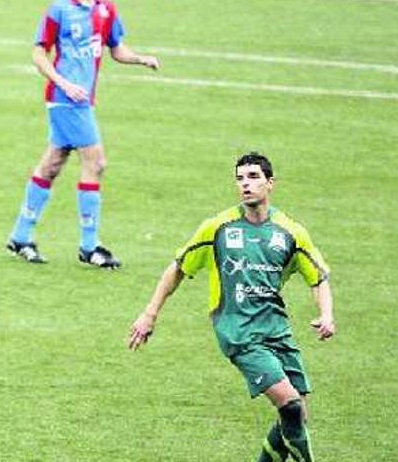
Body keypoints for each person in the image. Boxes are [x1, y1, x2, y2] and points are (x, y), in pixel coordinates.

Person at [128, 152, 336, 462]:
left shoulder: (290, 231)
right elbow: (178, 267)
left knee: (296, 417)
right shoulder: (218, 228)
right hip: (238, 332)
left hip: (277, 330)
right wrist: (149, 314)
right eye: (240, 178)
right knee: (290, 406)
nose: (245, 184)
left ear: (270, 183)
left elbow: (317, 277)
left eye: (253, 177)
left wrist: (326, 314)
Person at [6, 0, 160, 268]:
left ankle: (20, 236)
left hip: (80, 100)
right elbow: (39, 53)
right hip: (65, 100)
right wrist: (63, 82)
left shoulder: (106, 9)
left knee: (52, 164)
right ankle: (89, 246)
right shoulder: (59, 10)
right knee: (96, 162)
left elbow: (116, 48)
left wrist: (141, 59)